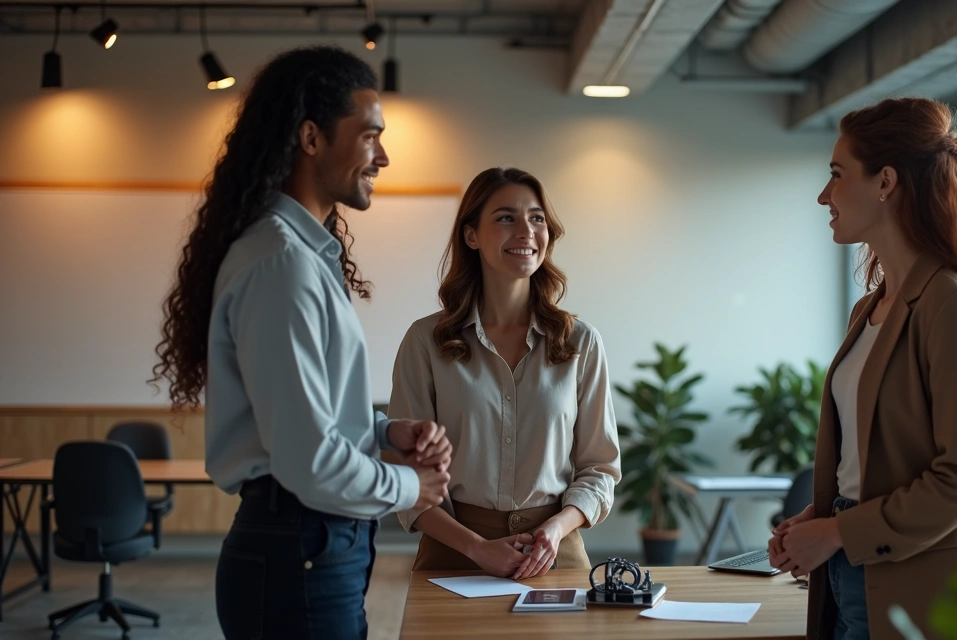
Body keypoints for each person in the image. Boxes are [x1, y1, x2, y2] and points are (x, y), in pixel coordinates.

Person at [150, 46, 452, 639]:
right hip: (301, 547)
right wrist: (411, 485)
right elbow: (309, 460)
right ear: (311, 137)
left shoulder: (301, 258)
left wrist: (385, 432)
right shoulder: (281, 265)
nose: (384, 156)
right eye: (370, 136)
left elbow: (310, 415)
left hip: (312, 545)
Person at [768, 97, 957, 640]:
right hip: (849, 573)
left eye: (837, 176)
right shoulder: (871, 307)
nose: (824, 196)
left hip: (918, 582)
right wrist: (818, 518)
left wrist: (838, 530)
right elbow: (875, 459)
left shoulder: (952, 303)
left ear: (885, 181)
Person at [388, 167, 621, 580]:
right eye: (505, 217)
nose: (526, 231)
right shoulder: (426, 341)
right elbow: (407, 475)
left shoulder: (581, 343)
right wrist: (476, 548)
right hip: (453, 551)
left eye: (536, 218)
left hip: (554, 552)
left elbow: (600, 469)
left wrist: (556, 528)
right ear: (471, 235)